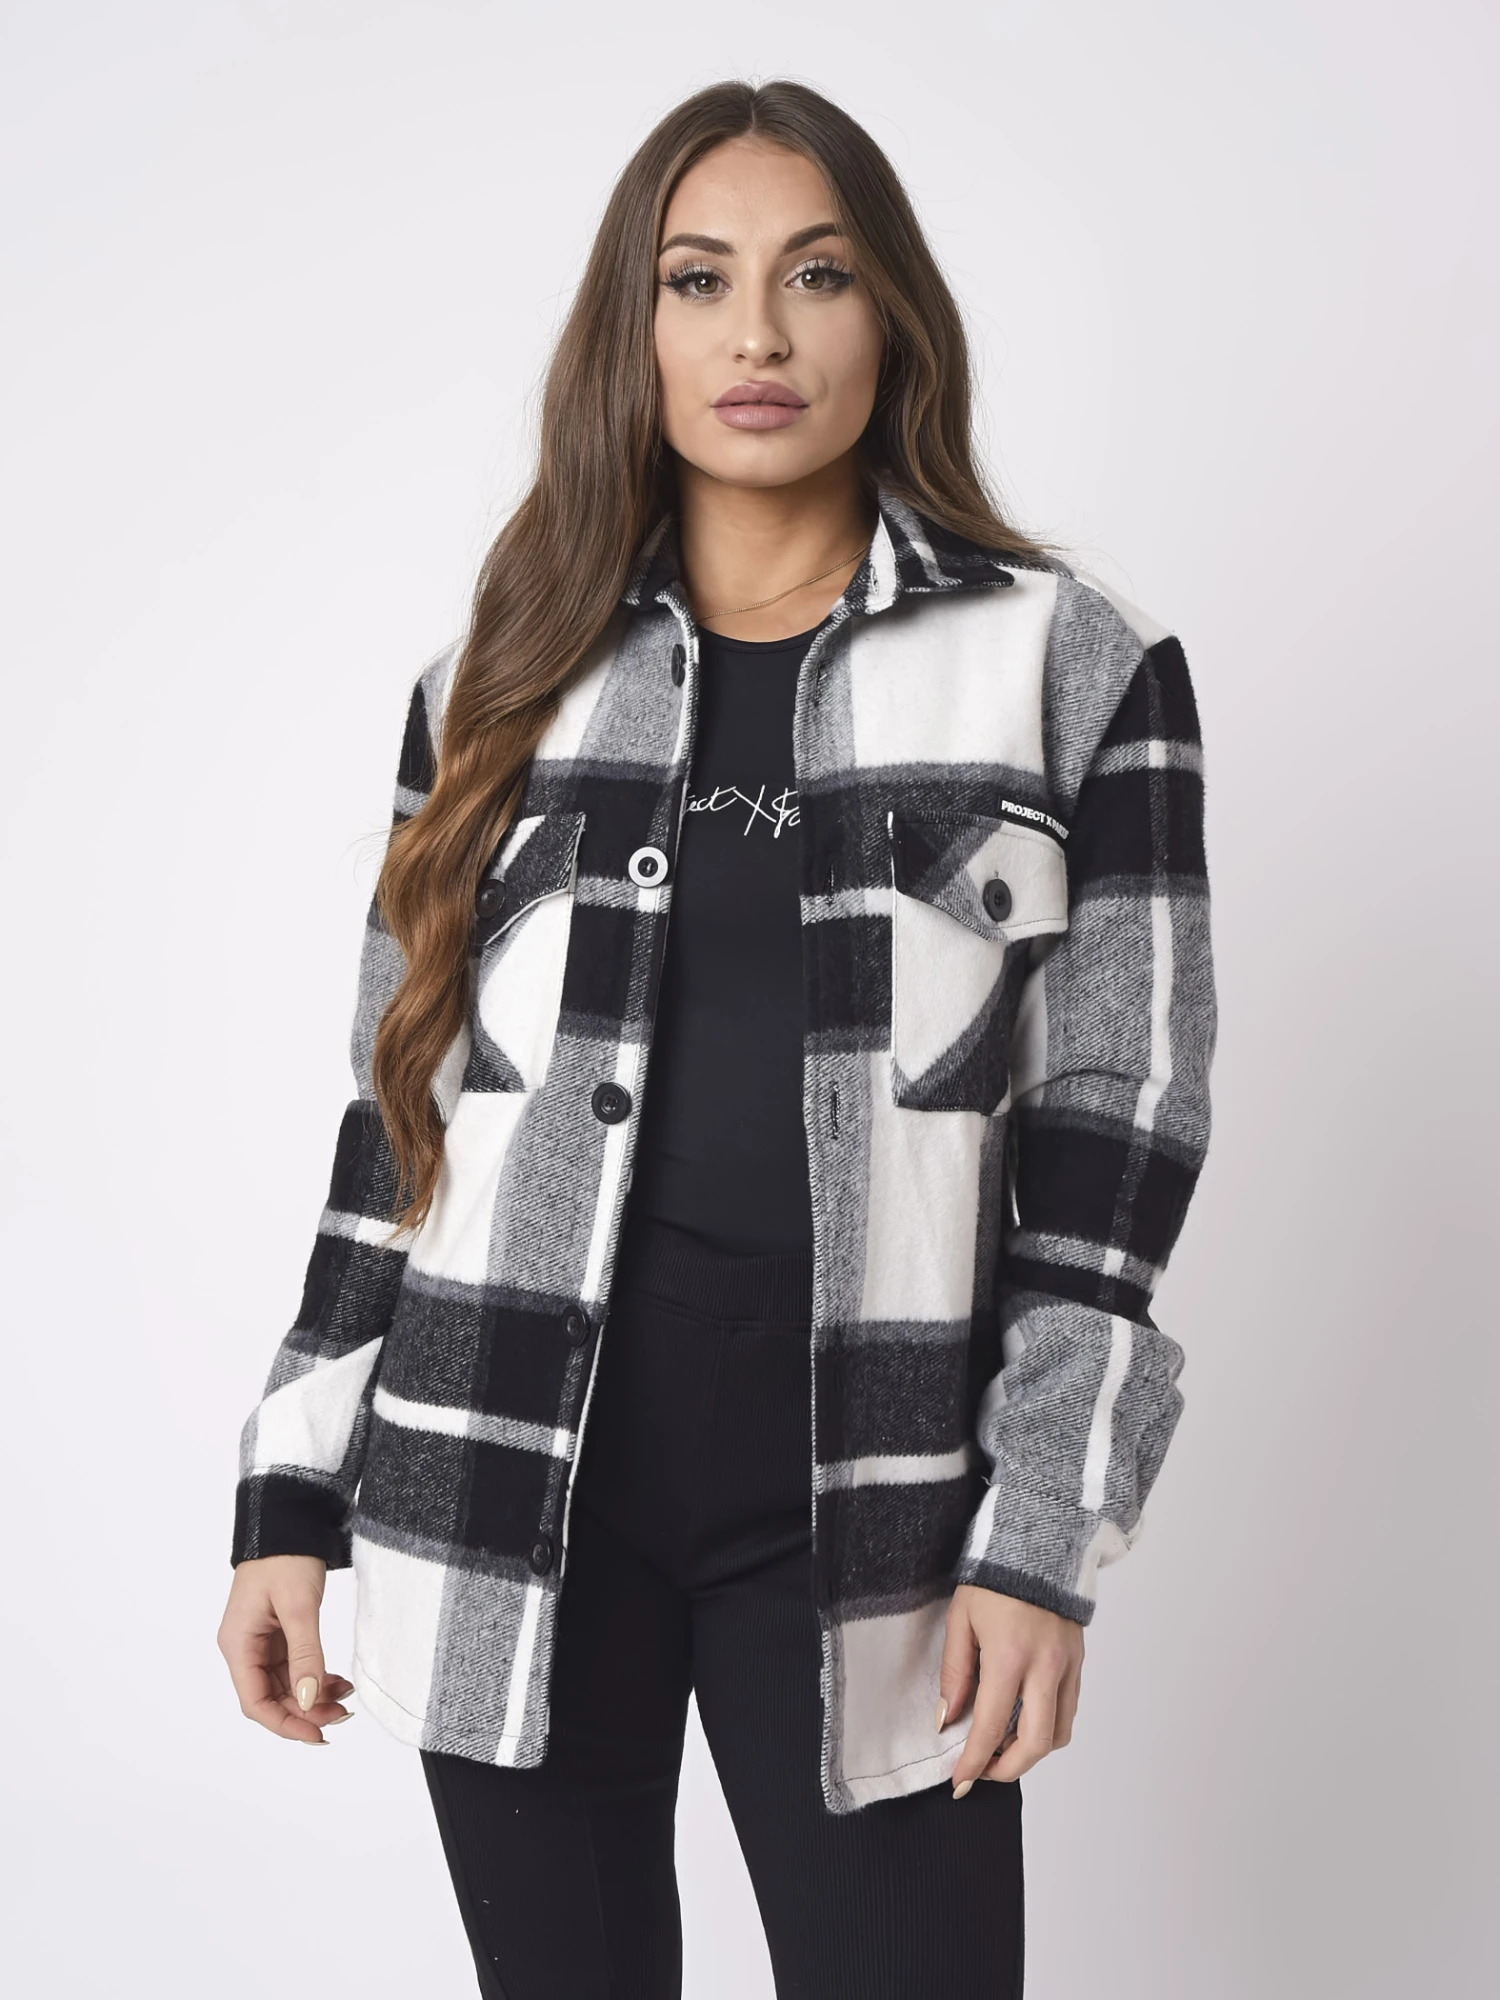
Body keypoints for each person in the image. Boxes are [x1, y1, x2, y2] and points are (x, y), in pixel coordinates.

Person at [217, 78, 1216, 2000]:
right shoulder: (497, 676)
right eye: (699, 279)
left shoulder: (1067, 665)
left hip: (878, 1506)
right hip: (501, 1471)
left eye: (816, 276)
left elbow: (1123, 1123)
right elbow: (400, 1113)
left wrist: (1042, 1534)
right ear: (637, 325)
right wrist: (288, 1491)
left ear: (892, 315)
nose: (757, 333)